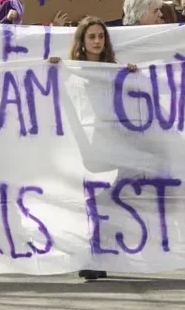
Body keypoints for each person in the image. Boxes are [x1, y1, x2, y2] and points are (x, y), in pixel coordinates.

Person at [47, 16, 136, 280]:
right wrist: (53, 68)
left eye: (101, 36)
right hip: (82, 145)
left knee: (103, 202)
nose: (97, 41)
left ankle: (100, 255)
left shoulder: (114, 69)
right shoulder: (71, 69)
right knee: (89, 201)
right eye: (92, 37)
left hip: (112, 144)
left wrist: (132, 75)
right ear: (82, 42)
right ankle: (93, 255)